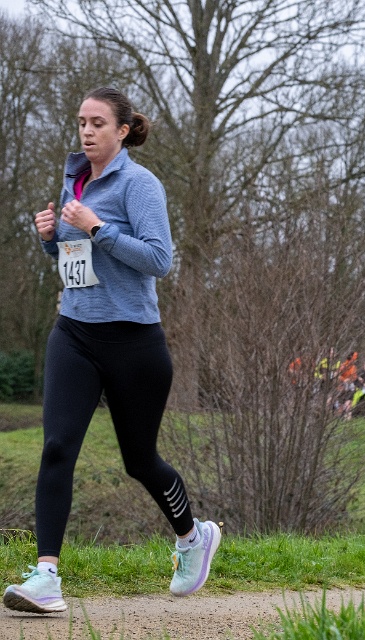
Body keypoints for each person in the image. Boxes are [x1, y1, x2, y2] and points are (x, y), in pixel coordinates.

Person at [3, 88, 220, 615]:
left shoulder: (140, 184)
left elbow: (159, 260)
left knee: (139, 461)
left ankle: (193, 538)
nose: (86, 131)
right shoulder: (74, 179)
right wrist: (50, 237)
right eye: (81, 121)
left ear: (122, 131)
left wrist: (97, 227)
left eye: (98, 123)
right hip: (74, 333)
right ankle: (46, 577)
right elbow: (71, 257)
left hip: (133, 341)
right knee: (57, 448)